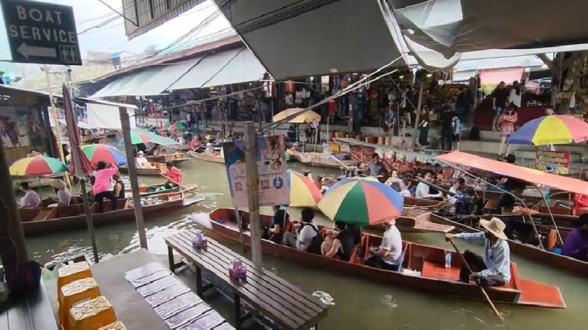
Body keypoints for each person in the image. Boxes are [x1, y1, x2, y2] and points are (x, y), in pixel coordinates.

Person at [445, 217, 511, 287]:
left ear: (493, 233)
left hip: (499, 274)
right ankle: (463, 280)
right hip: (487, 266)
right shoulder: (487, 237)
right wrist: (455, 235)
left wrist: (478, 274)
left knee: (484, 280)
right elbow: (472, 236)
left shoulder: (502, 247)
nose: (485, 231)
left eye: (487, 230)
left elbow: (495, 270)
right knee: (468, 253)